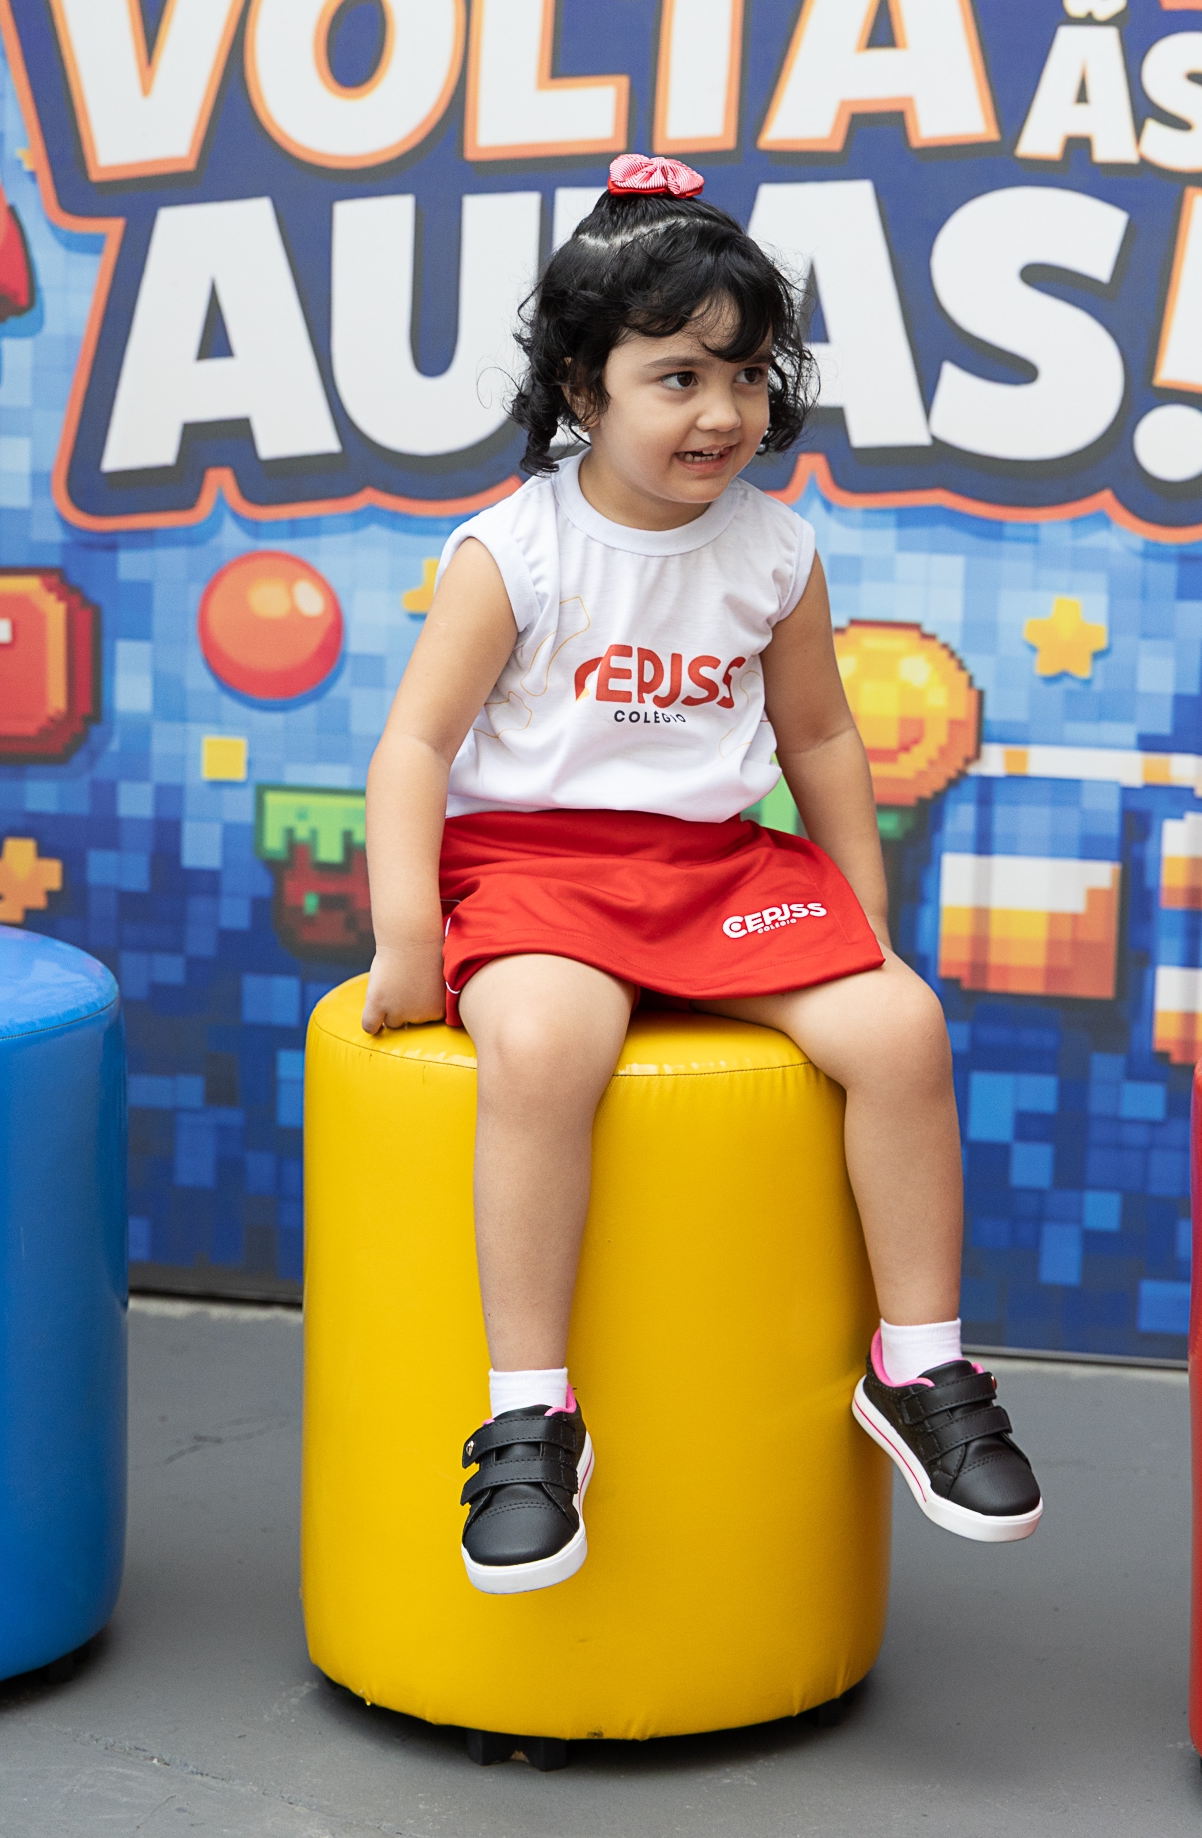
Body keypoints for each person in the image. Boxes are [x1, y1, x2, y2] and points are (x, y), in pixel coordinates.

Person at [362, 152, 1042, 1597]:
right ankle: (530, 1414)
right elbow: (415, 744)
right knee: (543, 1047)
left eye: (744, 374)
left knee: (901, 1030)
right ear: (580, 386)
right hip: (539, 871)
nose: (721, 412)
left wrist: (865, 924)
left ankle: (918, 1367)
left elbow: (821, 737)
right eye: (676, 377)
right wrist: (408, 938)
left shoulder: (775, 549)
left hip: (716, 871)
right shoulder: (514, 549)